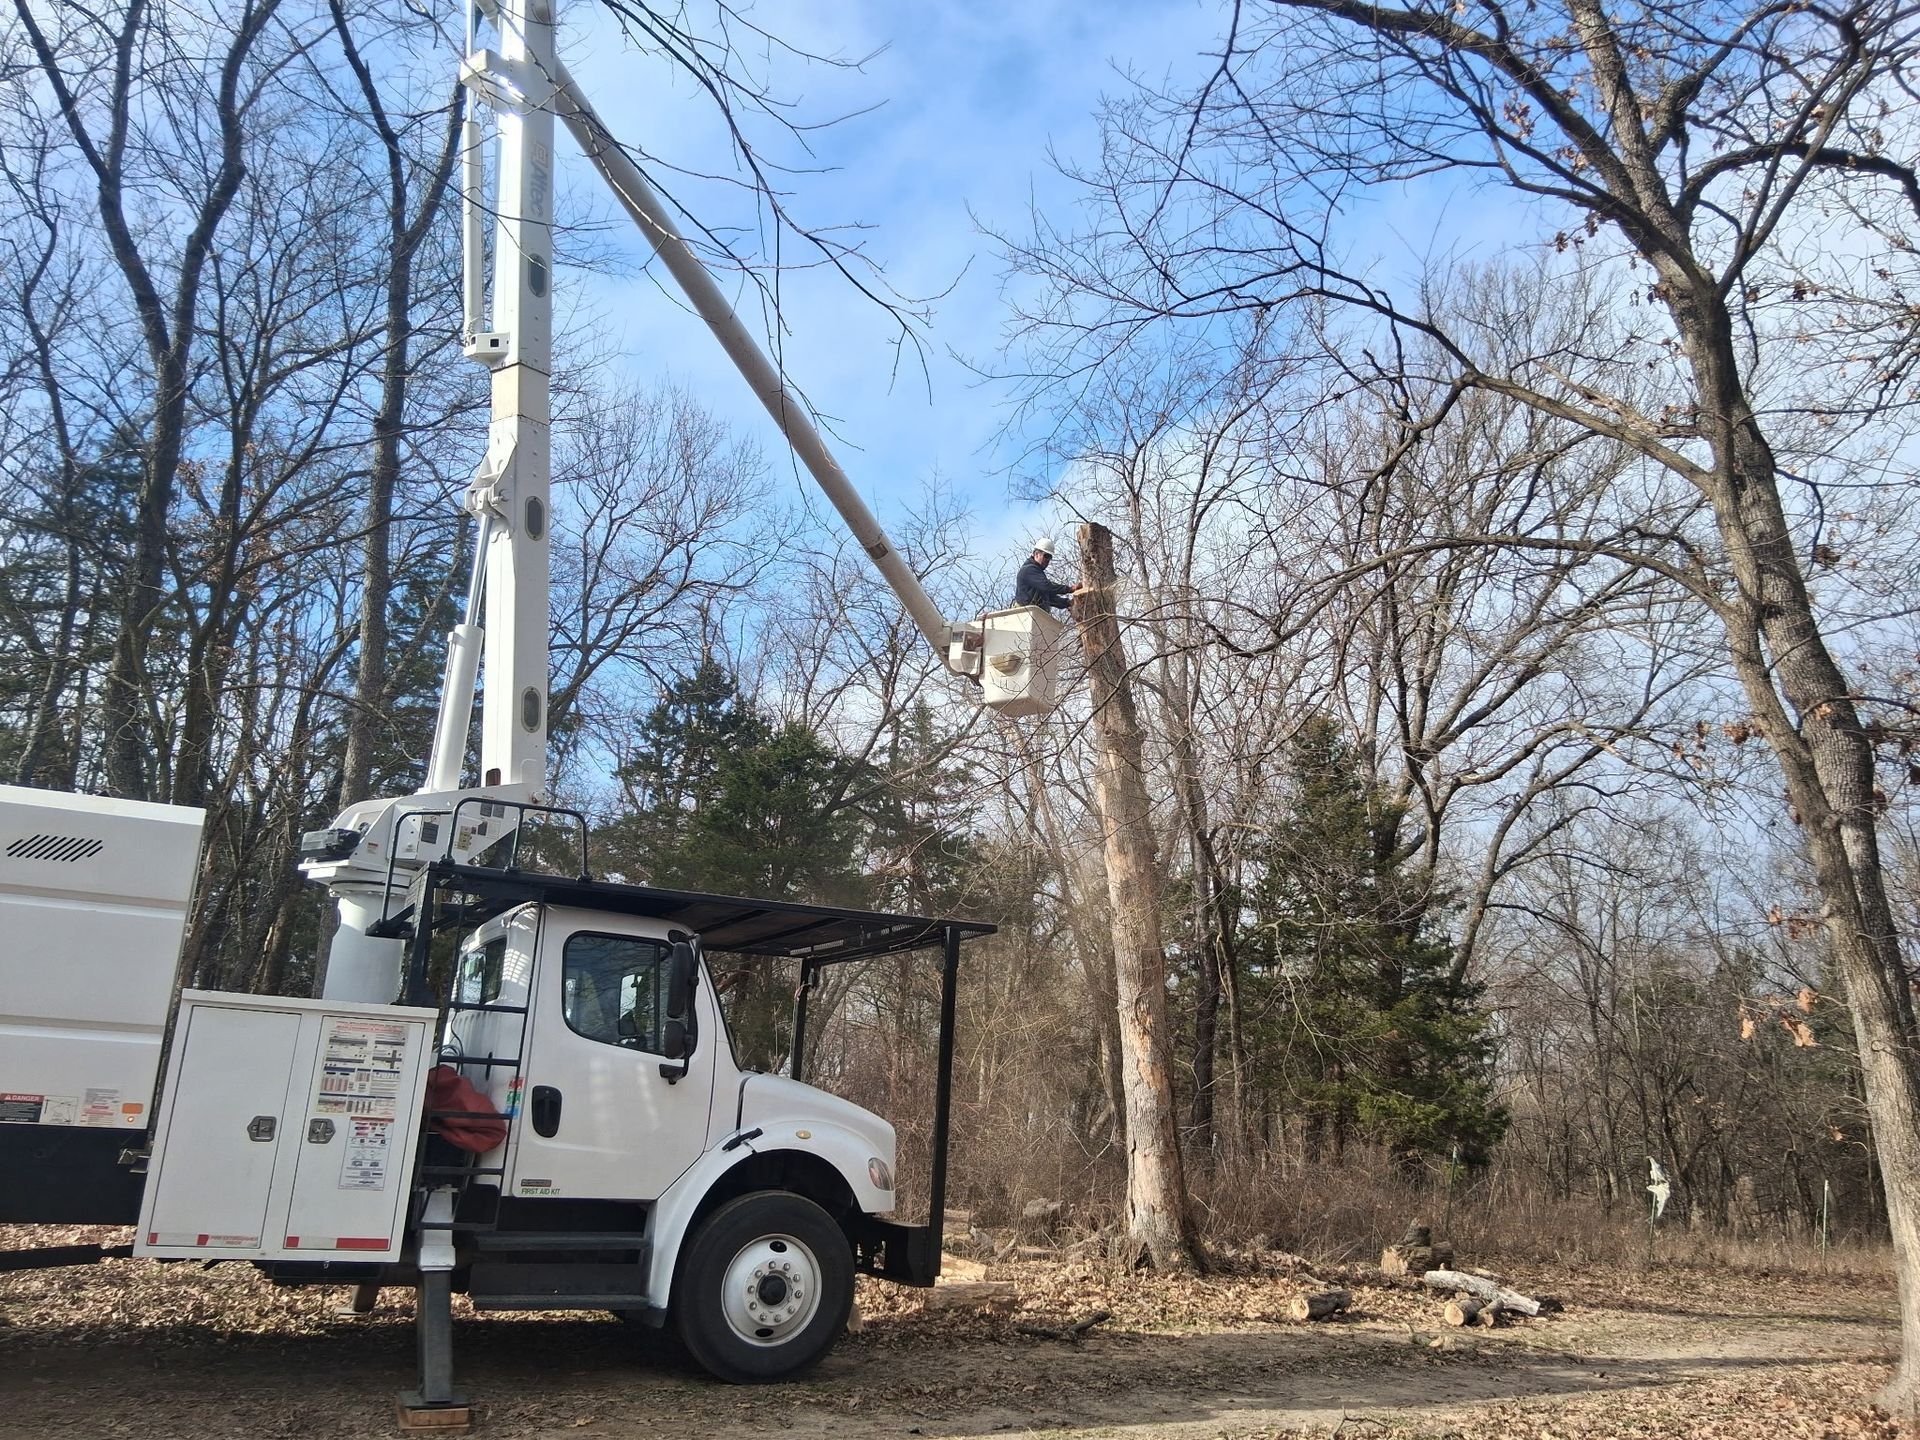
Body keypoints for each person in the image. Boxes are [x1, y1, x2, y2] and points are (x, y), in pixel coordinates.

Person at [1013, 538, 1082, 612]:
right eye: (1046, 556)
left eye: (1050, 557)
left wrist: (1067, 603)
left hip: (1034, 613)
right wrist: (1069, 589)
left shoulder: (1036, 574)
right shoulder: (1028, 570)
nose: (1048, 560)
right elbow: (1047, 586)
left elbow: (1047, 597)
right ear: (1036, 554)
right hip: (1025, 613)